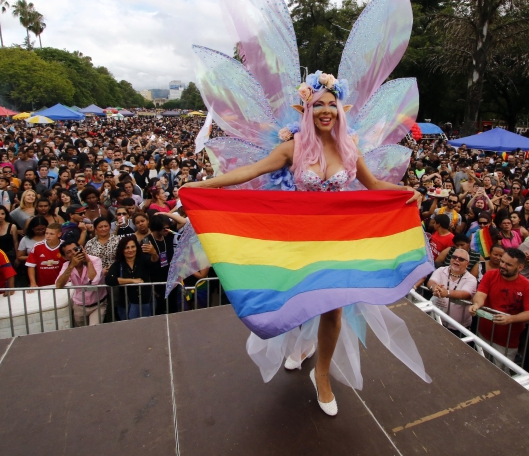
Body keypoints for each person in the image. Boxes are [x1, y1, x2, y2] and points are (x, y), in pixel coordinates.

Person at [181, 67, 423, 416]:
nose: (326, 110)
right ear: (307, 110)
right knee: (296, 298)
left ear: (340, 110)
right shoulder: (292, 148)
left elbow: (373, 185)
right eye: (319, 104)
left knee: (333, 306)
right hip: (299, 238)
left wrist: (406, 191)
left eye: (332, 104)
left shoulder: (350, 148)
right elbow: (247, 173)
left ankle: (321, 376)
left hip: (338, 237)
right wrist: (202, 187)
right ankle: (303, 347)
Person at [469, 248, 529, 367]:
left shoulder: (527, 286)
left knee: (500, 375)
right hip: (483, 334)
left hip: (506, 342)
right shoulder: (491, 275)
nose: (502, 265)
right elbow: (481, 293)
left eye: (508, 264)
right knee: (478, 367)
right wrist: (477, 304)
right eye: (502, 261)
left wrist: (510, 319)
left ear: (520, 267)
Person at [104, 236, 157, 320]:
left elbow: (154, 262)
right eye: (127, 248)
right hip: (127, 305)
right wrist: (132, 281)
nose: (130, 250)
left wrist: (154, 253)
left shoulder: (143, 259)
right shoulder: (118, 264)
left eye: (133, 247)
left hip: (145, 302)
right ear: (122, 250)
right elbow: (109, 280)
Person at [426, 248, 477, 333]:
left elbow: (465, 294)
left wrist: (447, 293)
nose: (456, 260)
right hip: (434, 318)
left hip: (457, 327)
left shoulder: (471, 279)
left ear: (467, 264)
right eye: (454, 257)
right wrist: (435, 287)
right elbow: (431, 282)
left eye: (461, 259)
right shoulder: (441, 270)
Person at [56, 240, 105, 327]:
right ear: (64, 257)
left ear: (81, 248)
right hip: (79, 306)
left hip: (97, 304)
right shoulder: (67, 265)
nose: (74, 253)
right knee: (81, 333)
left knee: (93, 330)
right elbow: (58, 284)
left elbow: (94, 282)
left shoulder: (95, 260)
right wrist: (71, 266)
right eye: (69, 252)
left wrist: (89, 262)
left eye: (75, 249)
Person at [26, 222, 64, 288]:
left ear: (59, 234)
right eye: (46, 233)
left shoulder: (65, 246)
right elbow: (31, 266)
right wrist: (33, 283)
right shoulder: (37, 246)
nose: (48, 236)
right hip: (42, 286)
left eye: (51, 234)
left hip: (62, 285)